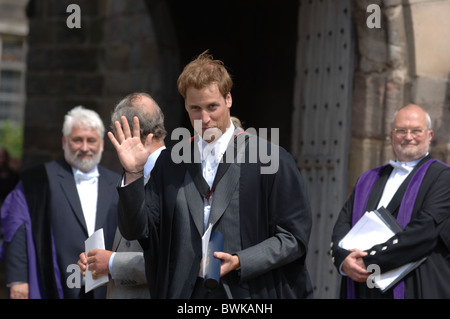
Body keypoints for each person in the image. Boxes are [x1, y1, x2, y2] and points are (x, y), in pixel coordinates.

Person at [109, 51, 313, 299]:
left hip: (249, 295)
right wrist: (133, 172)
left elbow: (293, 238)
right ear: (185, 105)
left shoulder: (272, 159)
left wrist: (240, 261)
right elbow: (138, 231)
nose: (204, 119)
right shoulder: (169, 163)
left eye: (212, 107)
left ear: (228, 99)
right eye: (195, 108)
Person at [331, 104, 450, 299]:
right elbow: (343, 222)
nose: (408, 137)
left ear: (429, 135)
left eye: (416, 131)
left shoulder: (443, 177)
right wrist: (343, 259)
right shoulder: (368, 178)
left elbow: (423, 232)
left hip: (415, 286)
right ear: (391, 135)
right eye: (401, 131)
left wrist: (369, 261)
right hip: (363, 286)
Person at [0, 106, 119, 299]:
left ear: (102, 144)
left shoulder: (118, 183)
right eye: (77, 140)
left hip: (106, 287)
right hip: (54, 284)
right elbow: (16, 226)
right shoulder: (37, 181)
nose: (85, 147)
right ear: (64, 142)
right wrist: (18, 280)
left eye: (91, 140)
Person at [77, 93, 166, 299]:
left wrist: (111, 263)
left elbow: (174, 260)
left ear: (122, 131)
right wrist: (96, 262)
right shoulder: (133, 175)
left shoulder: (174, 178)